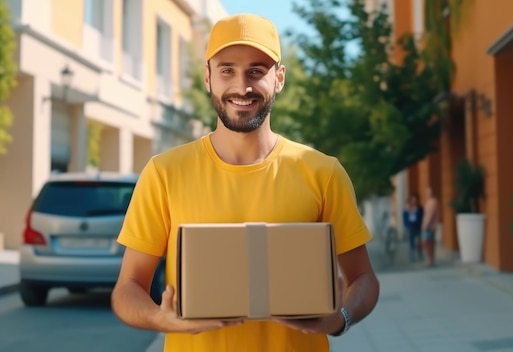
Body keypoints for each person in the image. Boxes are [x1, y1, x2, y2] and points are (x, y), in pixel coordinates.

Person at [110, 13, 380, 352]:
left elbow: (363, 278)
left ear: (279, 78)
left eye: (256, 71)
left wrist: (340, 319)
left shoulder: (322, 172)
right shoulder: (165, 172)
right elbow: (128, 288)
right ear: (208, 77)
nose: (242, 86)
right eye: (227, 71)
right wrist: (160, 320)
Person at [421, 187, 440, 267]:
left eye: (429, 192)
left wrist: (426, 225)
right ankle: (430, 259)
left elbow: (431, 215)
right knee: (429, 242)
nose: (428, 194)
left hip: (429, 226)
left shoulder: (433, 202)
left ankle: (430, 259)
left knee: (427, 242)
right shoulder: (429, 201)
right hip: (427, 225)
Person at [402, 192, 423, 262]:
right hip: (411, 227)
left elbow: (421, 217)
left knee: (419, 241)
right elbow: (405, 219)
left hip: (418, 227)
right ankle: (412, 255)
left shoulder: (419, 209)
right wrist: (407, 226)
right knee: (411, 242)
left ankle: (420, 254)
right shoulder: (407, 209)